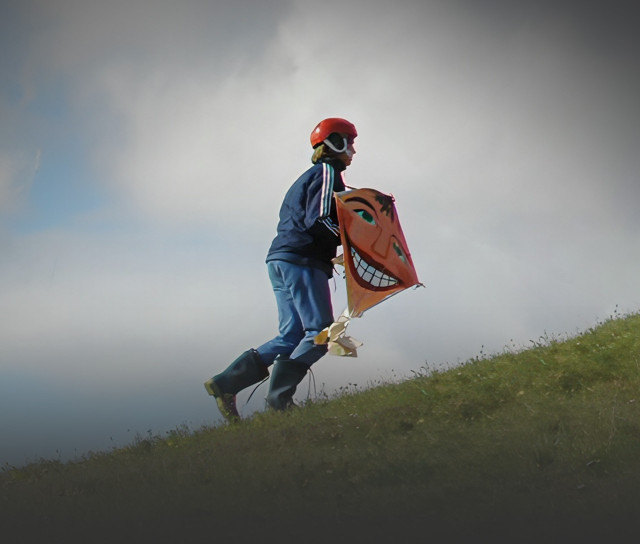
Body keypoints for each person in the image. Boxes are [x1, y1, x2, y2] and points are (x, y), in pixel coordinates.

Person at [204, 117, 358, 421]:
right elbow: (319, 218)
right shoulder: (326, 172)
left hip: (281, 259)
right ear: (334, 143)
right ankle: (279, 400)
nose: (353, 149)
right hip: (302, 260)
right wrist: (349, 241)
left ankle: (226, 384)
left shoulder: (307, 178)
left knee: (291, 335)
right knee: (320, 333)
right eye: (349, 142)